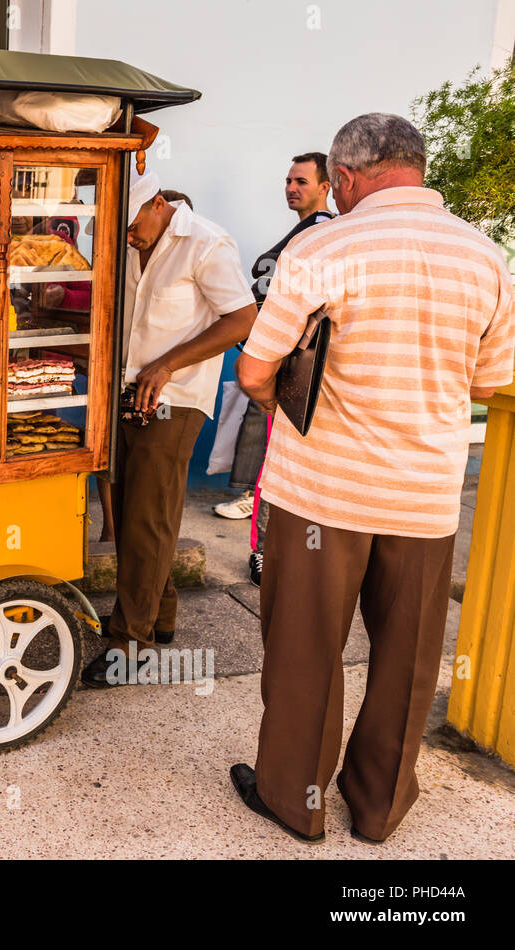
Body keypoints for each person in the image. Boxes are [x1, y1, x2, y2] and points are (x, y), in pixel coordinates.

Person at [231, 113, 514, 844]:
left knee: (306, 651)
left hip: (322, 494)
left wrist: (278, 402)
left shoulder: (323, 245)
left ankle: (297, 802)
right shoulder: (485, 258)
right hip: (423, 499)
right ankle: (380, 808)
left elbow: (255, 369)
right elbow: (491, 379)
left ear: (347, 176)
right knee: (409, 660)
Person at [81, 169, 256, 686]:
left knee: (147, 519)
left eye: (132, 223)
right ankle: (160, 617)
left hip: (176, 398)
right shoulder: (132, 239)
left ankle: (128, 645)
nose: (128, 235)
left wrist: (167, 366)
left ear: (157, 203)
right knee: (140, 510)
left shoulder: (206, 242)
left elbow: (242, 319)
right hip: (128, 389)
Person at [214, 154, 335, 590]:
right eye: (287, 180)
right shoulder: (307, 232)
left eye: (301, 180)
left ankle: (265, 552)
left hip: (292, 366)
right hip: (283, 362)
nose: (291, 187)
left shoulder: (321, 233)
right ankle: (276, 551)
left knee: (277, 462)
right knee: (281, 461)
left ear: (327, 185)